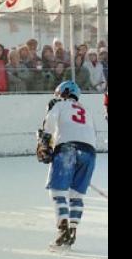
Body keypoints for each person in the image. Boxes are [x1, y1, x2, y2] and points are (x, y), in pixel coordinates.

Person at [36, 81, 97, 249]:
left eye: (58, 93)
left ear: (65, 92)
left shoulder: (60, 105)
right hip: (90, 152)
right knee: (76, 195)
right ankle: (73, 231)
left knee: (57, 191)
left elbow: (49, 123)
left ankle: (63, 230)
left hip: (67, 149)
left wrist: (44, 143)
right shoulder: (86, 110)